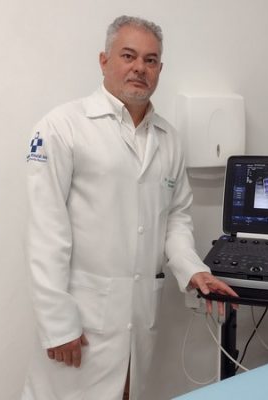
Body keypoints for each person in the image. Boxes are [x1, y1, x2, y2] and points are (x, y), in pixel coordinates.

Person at [22, 15, 237, 400]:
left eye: (150, 60)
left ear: (160, 70)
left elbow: (176, 217)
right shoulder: (62, 126)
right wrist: (57, 323)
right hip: (79, 320)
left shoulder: (168, 139)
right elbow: (46, 231)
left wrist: (192, 269)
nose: (140, 67)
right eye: (128, 55)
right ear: (104, 60)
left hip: (137, 319)